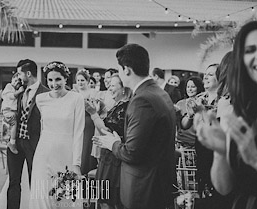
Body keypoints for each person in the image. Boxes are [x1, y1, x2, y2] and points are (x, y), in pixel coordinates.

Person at [93, 44, 177, 209]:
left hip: (144, 188)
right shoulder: (160, 93)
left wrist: (113, 144)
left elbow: (131, 153)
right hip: (159, 184)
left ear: (127, 70)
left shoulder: (142, 100)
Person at [198, 20, 257, 208]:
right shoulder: (241, 109)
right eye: (250, 50)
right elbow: (224, 188)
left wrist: (256, 160)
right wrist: (220, 153)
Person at [27, 62, 87, 208]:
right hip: (44, 154)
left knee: (65, 199)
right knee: (42, 198)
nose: (54, 84)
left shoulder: (76, 99)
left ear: (66, 79)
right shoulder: (41, 99)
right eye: (50, 80)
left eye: (58, 79)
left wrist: (76, 163)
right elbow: (40, 128)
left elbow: (79, 132)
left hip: (66, 154)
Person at [4, 59, 48, 209]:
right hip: (15, 142)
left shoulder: (46, 93)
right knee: (13, 181)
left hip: (34, 144)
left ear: (28, 73)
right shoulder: (18, 90)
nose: (18, 77)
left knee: (35, 181)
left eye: (19, 73)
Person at [87, 72, 132, 209]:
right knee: (105, 198)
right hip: (109, 156)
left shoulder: (124, 107)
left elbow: (107, 131)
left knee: (109, 200)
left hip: (114, 158)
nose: (109, 89)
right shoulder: (118, 105)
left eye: (113, 85)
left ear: (123, 88)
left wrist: (93, 114)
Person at [174, 76, 206, 148]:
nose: (190, 89)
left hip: (197, 143)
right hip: (181, 143)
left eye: (193, 87)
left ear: (199, 88)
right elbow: (179, 125)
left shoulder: (203, 103)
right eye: (188, 87)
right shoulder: (180, 103)